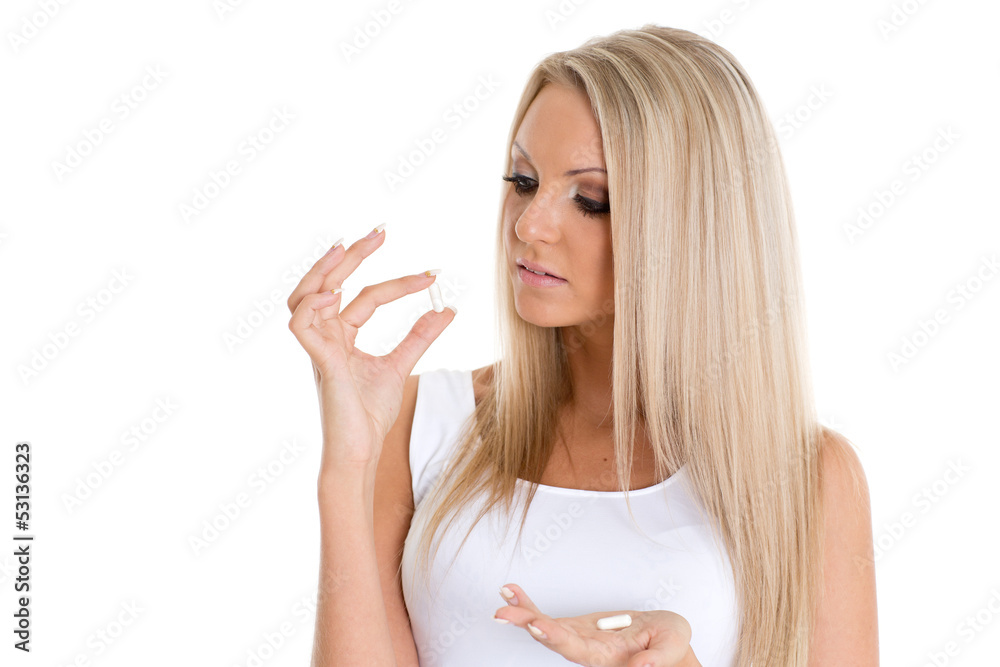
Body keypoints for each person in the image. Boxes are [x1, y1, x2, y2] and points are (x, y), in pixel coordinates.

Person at [287, 23, 878, 667]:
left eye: (590, 200)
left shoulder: (808, 476)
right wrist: (347, 468)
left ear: (692, 228)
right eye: (523, 181)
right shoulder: (418, 422)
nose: (529, 225)